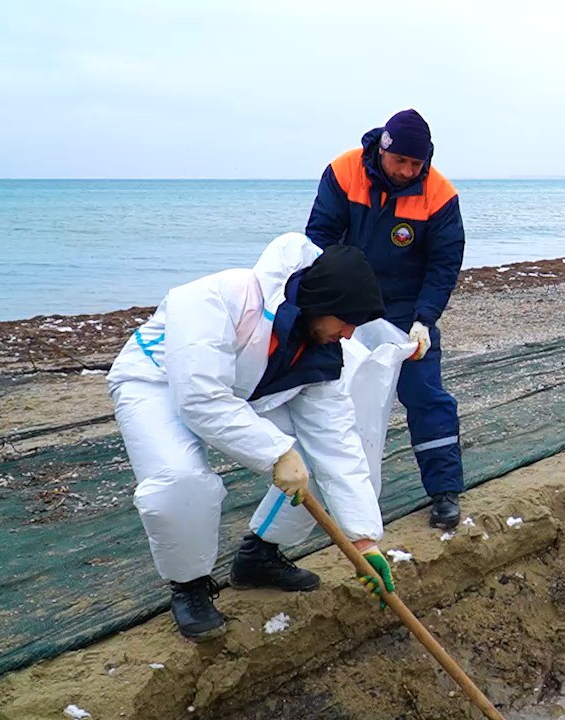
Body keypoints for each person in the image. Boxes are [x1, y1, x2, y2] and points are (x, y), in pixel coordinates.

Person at [107, 233, 397, 641]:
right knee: (180, 483)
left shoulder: (324, 351)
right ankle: (189, 587)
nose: (349, 335)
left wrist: (365, 541)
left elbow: (337, 445)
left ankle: (259, 555)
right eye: (346, 321)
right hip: (156, 381)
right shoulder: (219, 298)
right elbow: (200, 398)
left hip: (246, 389)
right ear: (322, 304)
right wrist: (276, 452)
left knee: (313, 461)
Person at [305, 108, 467, 530]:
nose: (407, 171)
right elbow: (319, 239)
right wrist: (326, 303)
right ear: (382, 149)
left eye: (417, 163)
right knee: (331, 393)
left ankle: (444, 491)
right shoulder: (344, 172)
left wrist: (424, 320)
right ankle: (333, 496)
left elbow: (444, 263)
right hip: (348, 305)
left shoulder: (439, 194)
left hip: (406, 308)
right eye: (400, 161)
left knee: (426, 395)